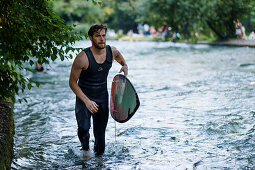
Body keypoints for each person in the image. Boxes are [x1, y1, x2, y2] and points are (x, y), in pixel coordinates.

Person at [69, 24, 128, 156]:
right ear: (91, 38)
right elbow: (72, 83)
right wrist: (87, 101)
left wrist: (124, 65)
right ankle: (85, 152)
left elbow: (118, 55)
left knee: (100, 141)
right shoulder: (82, 58)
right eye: (98, 36)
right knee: (84, 130)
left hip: (102, 98)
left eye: (103, 35)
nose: (102, 39)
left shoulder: (111, 51)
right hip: (84, 99)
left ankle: (99, 163)